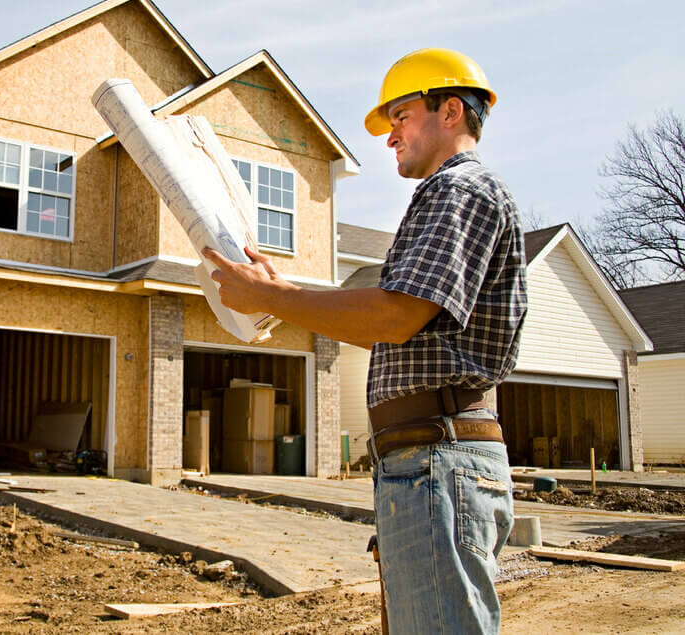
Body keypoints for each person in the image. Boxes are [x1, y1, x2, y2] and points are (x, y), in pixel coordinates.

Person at [204, 47, 526, 634]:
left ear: (450, 110)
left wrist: (273, 298)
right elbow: (394, 326)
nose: (389, 136)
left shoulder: (459, 191)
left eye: (400, 116)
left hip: (438, 458)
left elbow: (394, 317)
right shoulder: (448, 196)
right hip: (426, 458)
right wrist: (287, 291)